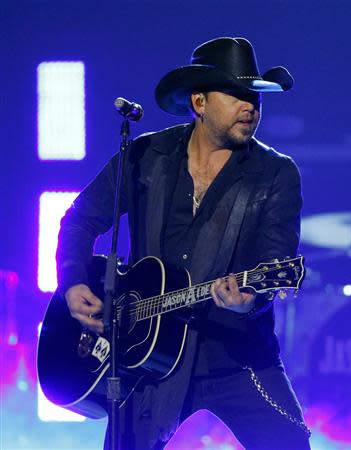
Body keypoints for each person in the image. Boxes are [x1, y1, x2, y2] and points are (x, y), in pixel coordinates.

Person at [56, 37, 311, 449]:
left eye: (256, 97)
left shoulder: (275, 174)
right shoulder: (146, 156)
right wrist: (72, 283)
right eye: (237, 95)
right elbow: (79, 220)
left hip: (234, 356)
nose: (251, 106)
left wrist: (250, 301)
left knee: (289, 442)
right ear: (199, 102)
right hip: (147, 354)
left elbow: (275, 259)